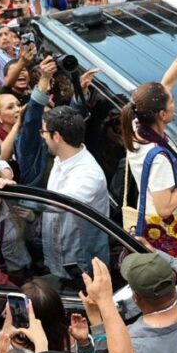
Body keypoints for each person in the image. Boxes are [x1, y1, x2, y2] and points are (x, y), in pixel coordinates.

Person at [121, 31, 177, 263]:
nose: (175, 104)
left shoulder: (137, 124)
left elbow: (166, 85)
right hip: (166, 232)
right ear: (162, 114)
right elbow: (164, 208)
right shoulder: (157, 158)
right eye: (172, 103)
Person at [42, 105, 110, 276]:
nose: (42, 136)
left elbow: (57, 203)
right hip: (60, 258)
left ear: (56, 136)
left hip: (81, 268)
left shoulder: (88, 174)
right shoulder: (61, 159)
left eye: (43, 132)